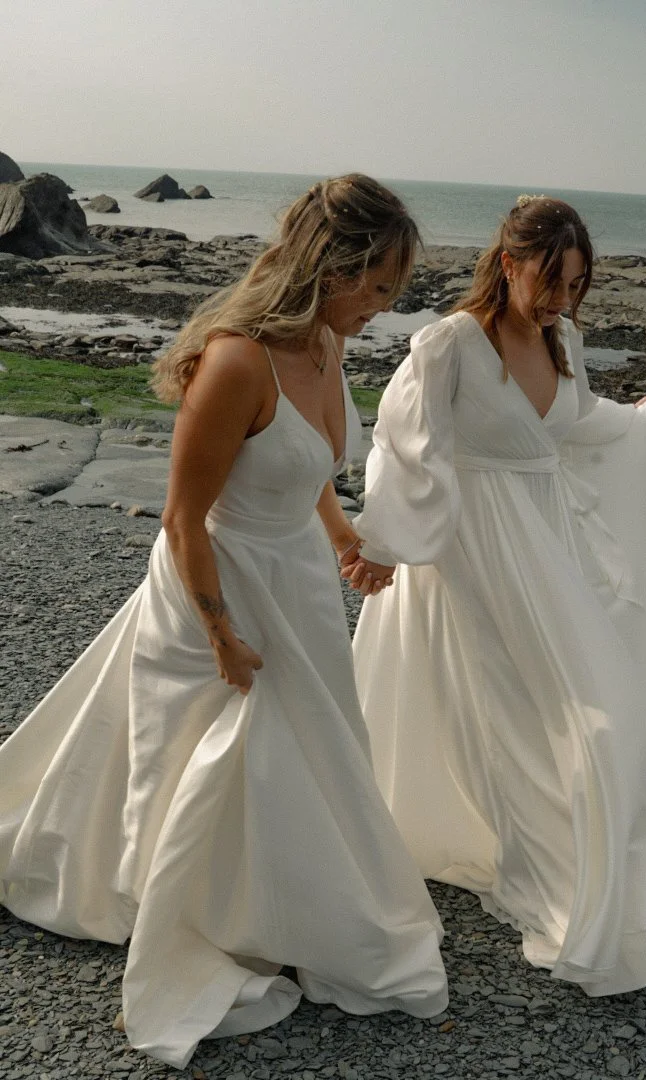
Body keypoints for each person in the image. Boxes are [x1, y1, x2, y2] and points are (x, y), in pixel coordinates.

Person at [0, 174, 448, 1068]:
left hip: (298, 583)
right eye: (379, 287)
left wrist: (342, 535)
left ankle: (279, 896)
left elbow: (312, 464)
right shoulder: (236, 359)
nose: (384, 309)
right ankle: (194, 911)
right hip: (220, 581)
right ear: (331, 267)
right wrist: (216, 634)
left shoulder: (324, 341)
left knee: (312, 748)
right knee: (215, 757)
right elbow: (182, 516)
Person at [342, 194, 646, 997]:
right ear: (508, 262)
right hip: (472, 557)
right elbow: (404, 448)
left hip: (550, 549)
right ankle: (565, 885)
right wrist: (384, 547)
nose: (562, 300)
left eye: (576, 285)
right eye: (551, 281)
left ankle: (591, 865)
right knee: (539, 719)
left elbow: (576, 426)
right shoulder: (448, 344)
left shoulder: (565, 341)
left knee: (590, 711)